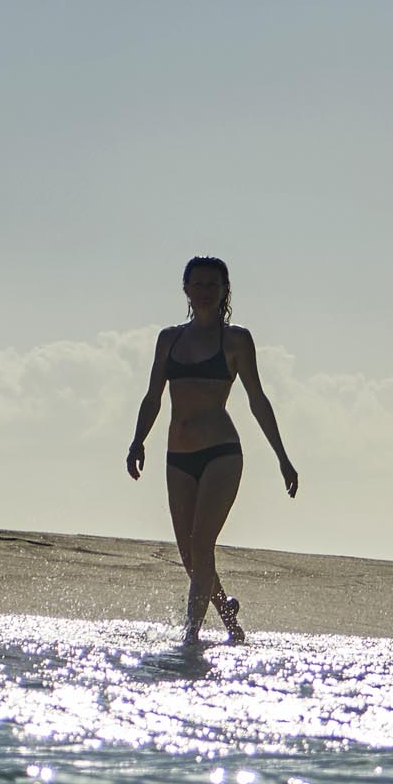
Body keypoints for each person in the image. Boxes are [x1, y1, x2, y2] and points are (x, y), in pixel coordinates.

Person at [124, 256, 298, 649]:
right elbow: (153, 396)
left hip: (221, 452)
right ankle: (228, 615)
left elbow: (257, 399)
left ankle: (190, 639)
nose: (205, 291)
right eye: (197, 284)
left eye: (212, 285)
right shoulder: (169, 339)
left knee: (202, 545)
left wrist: (282, 457)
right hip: (177, 456)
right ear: (186, 289)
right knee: (189, 554)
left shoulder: (235, 340)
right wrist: (138, 440)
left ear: (224, 291)